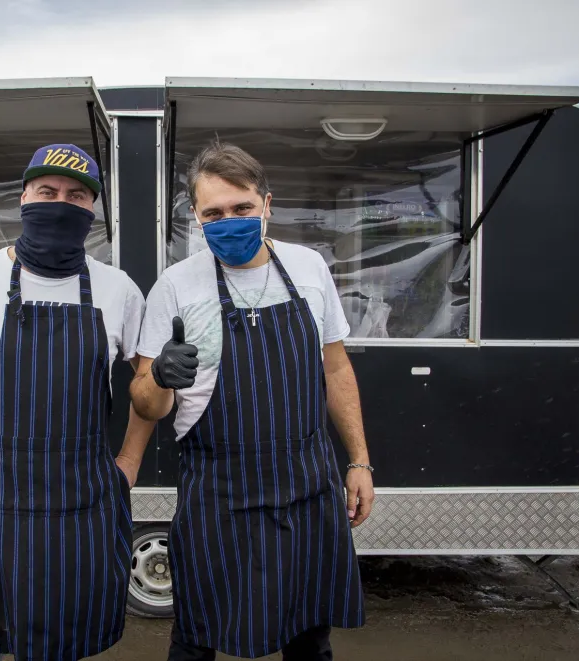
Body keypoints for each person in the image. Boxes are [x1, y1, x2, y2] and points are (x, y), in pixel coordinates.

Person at [0, 143, 155, 661]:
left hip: (79, 507)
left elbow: (149, 383)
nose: (60, 202)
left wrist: (127, 461)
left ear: (92, 211)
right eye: (48, 191)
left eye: (76, 195)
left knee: (65, 644)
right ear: (23, 198)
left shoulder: (118, 289)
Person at [131, 140, 374, 661]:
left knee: (309, 631)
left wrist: (359, 460)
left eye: (241, 208)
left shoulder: (308, 268)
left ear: (267, 203)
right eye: (213, 213)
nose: (229, 221)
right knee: (198, 632)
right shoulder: (175, 287)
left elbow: (336, 368)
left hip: (307, 480)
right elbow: (147, 406)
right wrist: (161, 379)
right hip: (217, 487)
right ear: (196, 218)